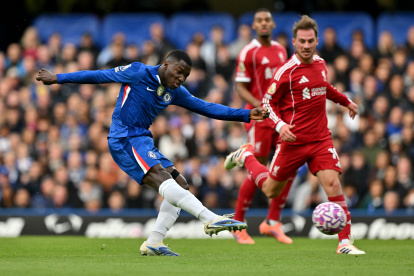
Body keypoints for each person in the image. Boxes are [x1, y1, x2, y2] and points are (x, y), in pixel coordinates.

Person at [36, 49, 269, 257]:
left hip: (143, 140)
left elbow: (207, 107)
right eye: (178, 72)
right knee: (163, 178)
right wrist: (58, 78)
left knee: (181, 183)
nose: (180, 79)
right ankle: (210, 219)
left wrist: (245, 115)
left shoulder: (175, 91)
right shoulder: (138, 72)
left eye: (185, 76)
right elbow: (98, 76)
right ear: (166, 64)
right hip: (124, 138)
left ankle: (154, 242)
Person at [225, 15, 365, 255]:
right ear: (294, 42)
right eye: (302, 41)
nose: (307, 46)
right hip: (293, 141)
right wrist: (280, 127)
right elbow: (267, 102)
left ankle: (345, 242)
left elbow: (325, 88)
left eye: (310, 41)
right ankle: (246, 156)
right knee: (271, 189)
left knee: (332, 183)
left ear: (317, 40)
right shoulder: (286, 72)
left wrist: (346, 101)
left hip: (320, 139)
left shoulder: (321, 64)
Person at [232, 8, 292, 245]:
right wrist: (261, 105)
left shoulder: (280, 49)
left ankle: (273, 222)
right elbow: (240, 87)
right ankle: (237, 225)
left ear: (273, 24)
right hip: (259, 116)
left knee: (287, 167)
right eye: (259, 20)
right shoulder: (248, 52)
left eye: (267, 19)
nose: (264, 23)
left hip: (280, 117)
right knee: (257, 167)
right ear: (254, 26)